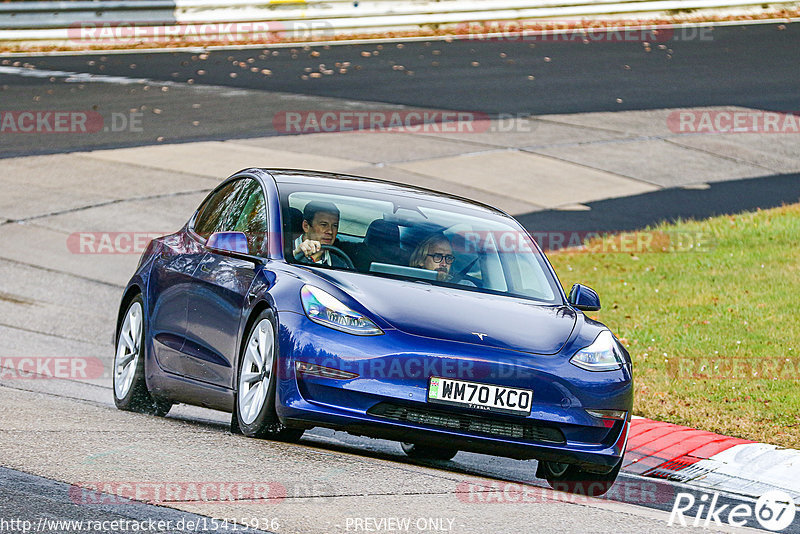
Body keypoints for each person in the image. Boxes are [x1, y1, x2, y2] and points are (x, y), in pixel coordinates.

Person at [292, 201, 348, 267]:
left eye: (334, 226)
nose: (330, 231)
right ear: (306, 226)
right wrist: (294, 255)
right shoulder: (282, 250)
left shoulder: (340, 264)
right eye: (323, 225)